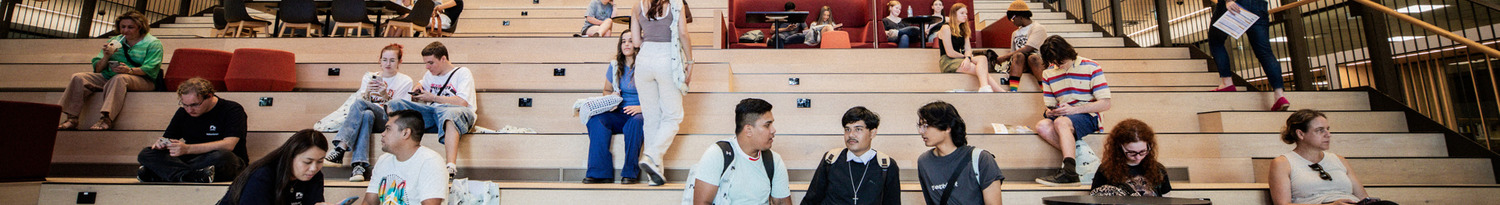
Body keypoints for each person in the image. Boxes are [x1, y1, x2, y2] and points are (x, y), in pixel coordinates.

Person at [324, 44, 416, 182]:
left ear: (399, 62)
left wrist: (386, 97)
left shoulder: (405, 80)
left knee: (361, 105)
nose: (388, 64)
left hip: (390, 119)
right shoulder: (370, 77)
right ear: (379, 60)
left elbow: (400, 112)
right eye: (384, 59)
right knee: (367, 114)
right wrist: (367, 92)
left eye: (392, 60)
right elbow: (362, 104)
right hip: (369, 118)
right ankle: (359, 166)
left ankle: (340, 148)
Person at [58, 11, 163, 130]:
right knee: (79, 77)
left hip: (142, 79)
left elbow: (150, 68)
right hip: (111, 76)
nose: (125, 31)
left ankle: (106, 118)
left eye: (130, 27)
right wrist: (106, 56)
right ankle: (72, 118)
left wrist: (129, 70)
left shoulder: (153, 43)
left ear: (140, 27)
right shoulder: (115, 40)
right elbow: (98, 69)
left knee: (119, 78)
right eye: (122, 27)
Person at [385, 41, 477, 178]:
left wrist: (433, 97)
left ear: (443, 59)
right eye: (425, 63)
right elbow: (421, 84)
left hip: (458, 113)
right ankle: (396, 159)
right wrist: (417, 90)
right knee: (396, 103)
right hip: (433, 114)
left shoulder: (462, 73)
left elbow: (462, 102)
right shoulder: (430, 75)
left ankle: (450, 167)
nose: (427, 67)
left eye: (431, 63)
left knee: (449, 112)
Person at [1269, 110, 1398, 205]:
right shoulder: (1283, 163)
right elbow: (1283, 204)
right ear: (1301, 134)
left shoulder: (1339, 159)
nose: (1328, 134)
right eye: (1320, 130)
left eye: (1328, 129)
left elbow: (1363, 197)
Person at [629, 0, 693, 186]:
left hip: (644, 60)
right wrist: (690, 62)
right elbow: (683, 33)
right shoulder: (675, 3)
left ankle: (654, 176)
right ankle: (652, 154)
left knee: (651, 119)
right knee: (673, 116)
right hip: (667, 58)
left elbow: (636, 41)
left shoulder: (636, 5)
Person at [1033, 36, 1112, 187]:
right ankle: (1083, 160)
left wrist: (1075, 110)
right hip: (1063, 116)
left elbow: (1105, 103)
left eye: (1060, 62)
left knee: (1062, 122)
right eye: (1053, 62)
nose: (1058, 66)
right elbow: (1049, 105)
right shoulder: (1048, 73)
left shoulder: (1092, 67)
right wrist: (1049, 112)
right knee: (1041, 126)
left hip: (1089, 115)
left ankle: (1069, 171)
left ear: (1068, 54)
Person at [137, 78, 247, 183]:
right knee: (146, 153)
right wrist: (162, 144)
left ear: (209, 96)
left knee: (222, 157)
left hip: (220, 159)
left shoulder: (232, 109)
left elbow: (229, 145)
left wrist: (187, 149)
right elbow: (168, 138)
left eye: (195, 105)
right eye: (185, 105)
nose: (189, 110)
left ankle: (164, 174)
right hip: (192, 160)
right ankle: (192, 175)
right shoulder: (183, 112)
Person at [689, 98, 791, 205]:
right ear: (748, 130)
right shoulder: (717, 154)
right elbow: (702, 202)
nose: (773, 130)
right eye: (767, 125)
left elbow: (782, 202)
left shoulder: (774, 160)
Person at [583, 30, 646, 184]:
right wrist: (611, 99)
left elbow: (657, 94)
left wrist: (641, 108)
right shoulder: (615, 65)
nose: (626, 44)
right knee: (596, 120)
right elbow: (607, 90)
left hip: (639, 113)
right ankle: (600, 172)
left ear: (637, 43)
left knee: (636, 122)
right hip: (618, 112)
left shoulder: (646, 64)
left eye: (630, 40)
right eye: (623, 41)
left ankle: (630, 173)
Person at [801, 107, 901, 205]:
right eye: (847, 129)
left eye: (858, 129)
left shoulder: (886, 165)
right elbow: (811, 200)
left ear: (872, 133)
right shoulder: (831, 160)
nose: (851, 135)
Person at [915, 101, 1004, 205]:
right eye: (920, 126)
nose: (921, 131)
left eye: (926, 126)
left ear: (947, 127)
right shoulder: (924, 162)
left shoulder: (982, 159)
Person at [1209, 0, 1291, 111]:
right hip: (1259, 5)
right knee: (1265, 52)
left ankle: (1227, 83)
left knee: (1216, 42)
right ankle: (1279, 95)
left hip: (1236, 3)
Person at [218, 129, 330, 205]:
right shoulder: (263, 175)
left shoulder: (315, 176)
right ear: (290, 157)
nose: (314, 168)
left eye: (320, 161)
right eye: (307, 162)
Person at [363, 110, 448, 205]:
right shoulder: (383, 160)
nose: (383, 133)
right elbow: (369, 202)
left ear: (405, 133)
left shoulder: (431, 162)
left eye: (388, 129)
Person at [1089, 119, 1172, 197]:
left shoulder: (1158, 169)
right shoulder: (1106, 169)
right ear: (1120, 147)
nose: (1138, 157)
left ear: (1149, 146)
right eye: (1132, 153)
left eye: (1143, 152)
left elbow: (1167, 201)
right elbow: (1095, 198)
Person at [934, 3, 1002, 92]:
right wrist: (966, 58)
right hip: (948, 61)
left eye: (966, 13)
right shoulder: (946, 28)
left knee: (982, 58)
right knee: (980, 70)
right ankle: (998, 90)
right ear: (954, 14)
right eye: (962, 13)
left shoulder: (964, 29)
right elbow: (950, 52)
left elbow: (968, 49)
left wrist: (968, 57)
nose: (965, 16)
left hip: (960, 59)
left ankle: (984, 86)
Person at [993, 1, 1049, 92]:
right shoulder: (1015, 33)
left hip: (1036, 62)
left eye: (1013, 18)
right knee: (1018, 56)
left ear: (1021, 16)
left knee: (1033, 57)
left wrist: (1004, 57)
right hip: (1020, 62)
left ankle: (1046, 90)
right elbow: (1014, 51)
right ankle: (1013, 90)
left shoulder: (1038, 28)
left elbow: (1028, 48)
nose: (1012, 21)